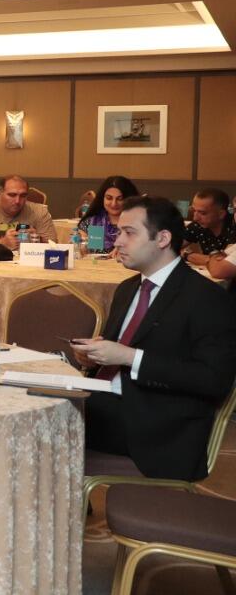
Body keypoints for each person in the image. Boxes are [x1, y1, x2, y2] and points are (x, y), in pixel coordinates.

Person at [73, 196, 236, 481]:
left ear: (162, 239)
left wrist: (129, 357)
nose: (117, 242)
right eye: (119, 232)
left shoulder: (206, 297)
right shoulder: (127, 288)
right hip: (109, 402)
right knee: (37, 401)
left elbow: (213, 379)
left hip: (158, 423)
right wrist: (92, 356)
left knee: (46, 423)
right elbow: (116, 354)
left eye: (129, 233)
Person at [77, 175, 141, 254]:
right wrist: (79, 246)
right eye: (109, 198)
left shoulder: (139, 224)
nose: (114, 204)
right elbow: (79, 246)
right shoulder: (91, 222)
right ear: (102, 198)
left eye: (120, 199)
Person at [184, 188, 236, 267]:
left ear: (221, 214)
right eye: (193, 211)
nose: (195, 218)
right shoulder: (198, 225)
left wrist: (188, 255)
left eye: (203, 213)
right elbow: (171, 247)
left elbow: (223, 264)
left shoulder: (233, 225)